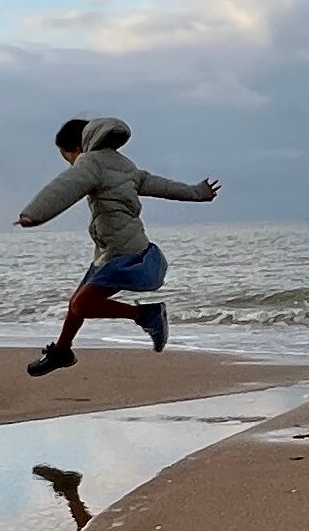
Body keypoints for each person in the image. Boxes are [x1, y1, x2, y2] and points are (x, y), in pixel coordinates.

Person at [13, 115, 218, 374]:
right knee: (77, 303)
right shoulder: (125, 166)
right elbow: (163, 186)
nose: (70, 164)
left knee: (81, 304)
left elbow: (63, 187)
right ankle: (62, 351)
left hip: (123, 254)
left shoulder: (90, 163)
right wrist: (198, 193)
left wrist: (33, 214)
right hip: (121, 251)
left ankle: (147, 315)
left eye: (67, 156)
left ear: (78, 147)